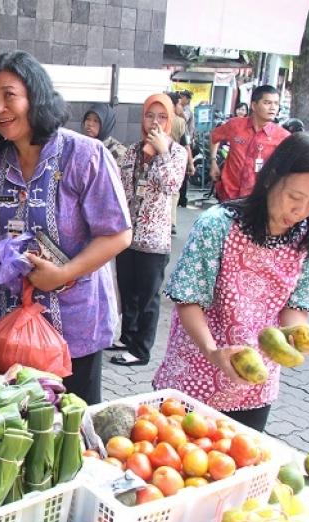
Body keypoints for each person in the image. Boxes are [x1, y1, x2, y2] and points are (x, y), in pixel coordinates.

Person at [0, 51, 132, 404]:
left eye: (9, 95)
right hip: (13, 323)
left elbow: (119, 233)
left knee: (73, 429)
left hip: (75, 321)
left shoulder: (84, 155)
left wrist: (63, 273)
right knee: (21, 424)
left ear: (36, 96)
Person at [153, 133, 309, 431]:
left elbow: (295, 306)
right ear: (272, 178)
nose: (301, 211)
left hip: (255, 383)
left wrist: (298, 334)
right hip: (194, 372)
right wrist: (213, 352)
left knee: (240, 464)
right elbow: (188, 299)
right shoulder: (218, 224)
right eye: (294, 196)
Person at [110, 94, 187, 367]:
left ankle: (141, 350)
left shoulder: (177, 153)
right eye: (150, 116)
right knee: (126, 290)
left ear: (170, 121)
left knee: (147, 298)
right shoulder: (132, 150)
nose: (155, 122)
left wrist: (163, 152)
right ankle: (127, 336)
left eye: (162, 117)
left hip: (154, 239)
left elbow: (171, 186)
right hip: (128, 234)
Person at [209, 85, 290, 201]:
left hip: (257, 199)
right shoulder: (235, 125)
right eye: (267, 103)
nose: (273, 108)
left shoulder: (283, 137)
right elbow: (214, 137)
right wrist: (213, 162)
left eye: (276, 104)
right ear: (254, 105)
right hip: (227, 194)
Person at [167, 92, 194, 233]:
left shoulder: (155, 119)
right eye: (178, 104)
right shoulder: (179, 122)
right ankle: (171, 222)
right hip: (174, 161)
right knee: (173, 192)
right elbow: (186, 144)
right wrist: (190, 163)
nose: (180, 107)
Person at [81, 103, 127, 169]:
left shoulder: (117, 151)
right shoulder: (81, 146)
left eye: (96, 121)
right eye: (88, 119)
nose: (90, 124)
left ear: (106, 123)